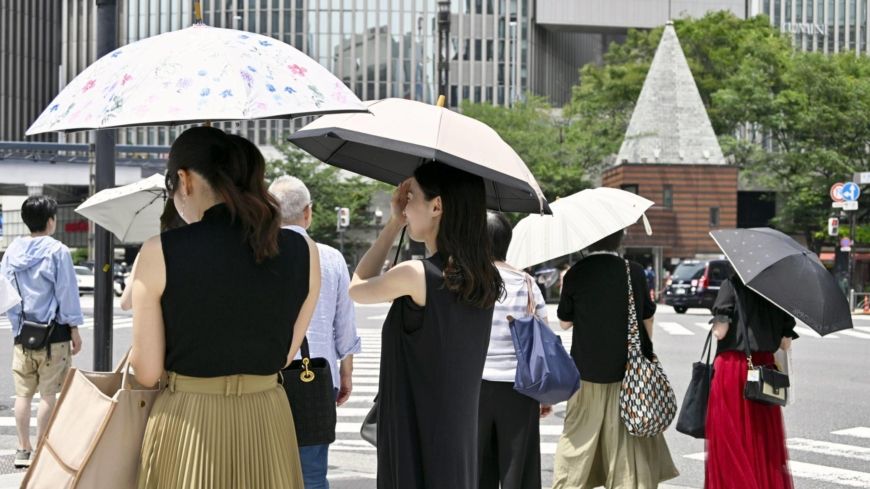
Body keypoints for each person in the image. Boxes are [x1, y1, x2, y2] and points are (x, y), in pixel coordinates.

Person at [130, 127, 320, 489]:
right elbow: (282, 357)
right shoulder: (303, 251)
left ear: (184, 180)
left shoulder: (160, 251)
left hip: (189, 420)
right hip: (267, 418)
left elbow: (148, 372)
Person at [349, 162, 503, 489]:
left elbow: (357, 287)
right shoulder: (482, 276)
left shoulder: (417, 274)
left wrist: (392, 225)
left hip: (414, 426)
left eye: (410, 196)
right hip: (456, 431)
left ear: (437, 205)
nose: (404, 205)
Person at [552, 229, 678, 489]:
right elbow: (647, 317)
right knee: (627, 445)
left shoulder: (577, 272)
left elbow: (564, 323)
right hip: (628, 373)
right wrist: (645, 353)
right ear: (619, 240)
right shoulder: (633, 271)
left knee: (577, 437)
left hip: (586, 371)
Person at [269, 175, 362, 488]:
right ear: (307, 213)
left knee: (265, 470)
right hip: (316, 379)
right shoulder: (330, 257)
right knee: (312, 475)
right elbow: (344, 325)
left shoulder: (254, 252)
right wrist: (345, 375)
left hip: (266, 379)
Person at [0, 196, 84, 469]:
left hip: (23, 334)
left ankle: (22, 449)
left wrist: (17, 326)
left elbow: (6, 293)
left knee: (23, 395)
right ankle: (42, 448)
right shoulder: (58, 251)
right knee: (48, 395)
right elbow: (66, 292)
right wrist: (73, 327)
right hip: (54, 335)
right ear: (50, 220)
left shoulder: (12, 252)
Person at [479, 211, 551, 489]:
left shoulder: (466, 279)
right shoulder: (526, 282)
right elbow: (543, 336)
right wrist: (545, 395)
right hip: (520, 387)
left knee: (475, 467)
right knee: (517, 470)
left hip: (475, 387)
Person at [705, 274, 797, 489]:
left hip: (734, 368)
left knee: (730, 437)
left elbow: (720, 332)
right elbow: (784, 344)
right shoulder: (778, 292)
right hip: (764, 372)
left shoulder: (731, 284)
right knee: (763, 440)